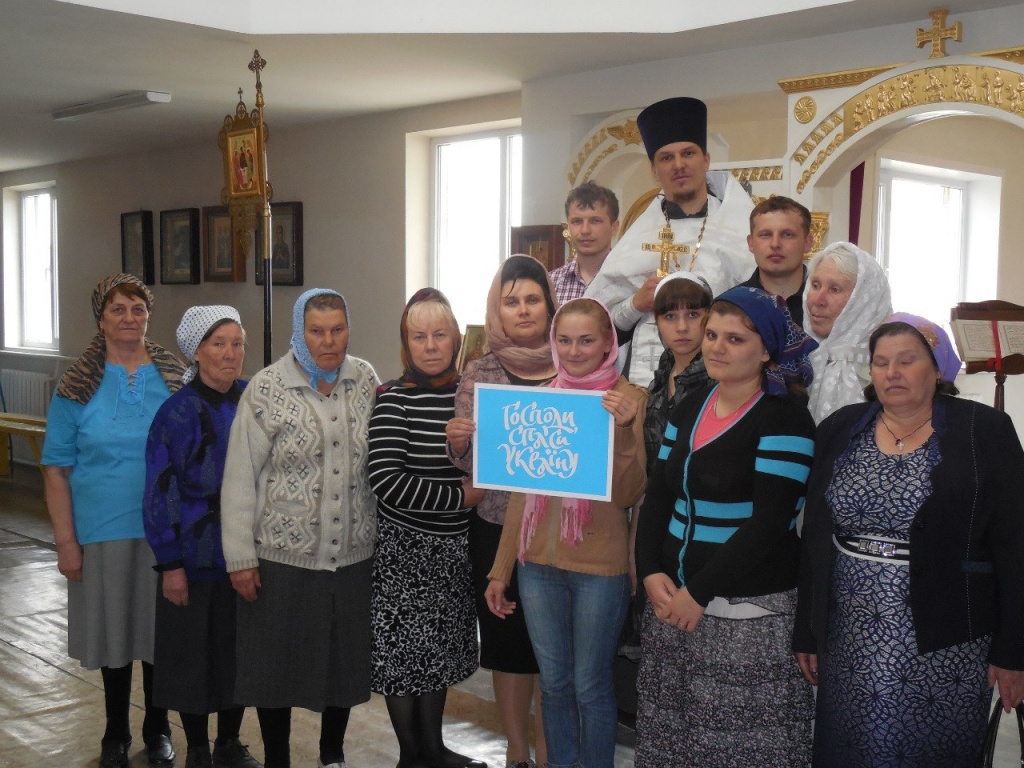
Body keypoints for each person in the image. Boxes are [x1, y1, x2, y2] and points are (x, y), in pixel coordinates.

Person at [794, 318, 1024, 766]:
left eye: (906, 361)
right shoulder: (840, 428)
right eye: (880, 363)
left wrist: (1013, 650)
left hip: (948, 639)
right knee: (851, 748)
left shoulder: (984, 429)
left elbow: (1015, 544)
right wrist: (808, 627)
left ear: (936, 369)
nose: (892, 373)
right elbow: (815, 539)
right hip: (849, 637)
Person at [634, 285, 818, 767]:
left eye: (735, 339)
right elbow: (659, 493)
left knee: (737, 744)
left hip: (746, 611)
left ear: (766, 351)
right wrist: (650, 570)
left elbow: (769, 525)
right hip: (672, 602)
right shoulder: (691, 404)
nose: (716, 347)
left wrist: (698, 592)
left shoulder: (786, 418)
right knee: (674, 735)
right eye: (712, 334)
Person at [485, 297, 648, 768]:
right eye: (565, 340)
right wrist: (501, 570)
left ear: (608, 343)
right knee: (554, 684)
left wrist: (623, 431)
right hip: (537, 566)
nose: (574, 351)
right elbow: (522, 492)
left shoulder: (630, 399)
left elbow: (630, 493)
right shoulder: (543, 397)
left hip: (600, 569)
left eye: (586, 340)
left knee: (591, 685)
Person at [221, 289, 379, 768]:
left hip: (351, 558)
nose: (328, 341)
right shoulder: (267, 389)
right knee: (275, 669)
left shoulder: (365, 380)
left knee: (341, 665)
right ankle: (278, 759)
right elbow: (239, 477)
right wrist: (240, 559)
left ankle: (332, 755)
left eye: (337, 330)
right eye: (316, 331)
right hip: (281, 561)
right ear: (299, 331)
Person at [41, 273, 185, 768]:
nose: (129, 318)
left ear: (149, 316)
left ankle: (158, 727)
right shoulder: (76, 385)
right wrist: (66, 542)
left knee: (161, 635)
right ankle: (115, 731)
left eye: (138, 309)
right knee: (114, 635)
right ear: (100, 319)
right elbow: (56, 469)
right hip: (101, 529)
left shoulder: (174, 376)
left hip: (165, 531)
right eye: (118, 309)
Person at [368, 288, 487, 768]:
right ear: (406, 344)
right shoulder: (393, 399)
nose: (431, 345)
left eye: (440, 335)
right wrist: (458, 498)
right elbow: (386, 481)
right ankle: (411, 755)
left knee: (437, 654)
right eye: (419, 337)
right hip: (404, 552)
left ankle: (434, 749)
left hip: (454, 549)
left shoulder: (471, 397)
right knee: (403, 659)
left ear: (456, 339)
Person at [445, 254, 555, 768]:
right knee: (509, 648)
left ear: (550, 306)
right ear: (497, 310)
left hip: (557, 531)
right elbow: (465, 459)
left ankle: (551, 749)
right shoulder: (480, 369)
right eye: (511, 301)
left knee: (552, 650)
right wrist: (457, 442)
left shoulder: (573, 361)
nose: (523, 309)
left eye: (533, 299)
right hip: (495, 527)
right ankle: (515, 748)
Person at [143, 306, 263, 768]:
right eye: (219, 344)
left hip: (245, 555)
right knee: (191, 657)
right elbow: (160, 491)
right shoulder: (176, 413)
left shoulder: (253, 399)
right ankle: (196, 748)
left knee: (238, 653)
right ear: (196, 351)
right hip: (194, 558)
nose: (230, 354)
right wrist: (171, 564)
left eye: (237, 344)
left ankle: (228, 741)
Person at [586, 96, 754, 387]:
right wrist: (635, 305)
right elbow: (596, 327)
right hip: (642, 384)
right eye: (666, 158)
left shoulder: (738, 230)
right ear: (654, 170)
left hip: (719, 381)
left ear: (706, 160)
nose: (678, 165)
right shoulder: (638, 238)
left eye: (688, 153)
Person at [802, 241, 892, 424]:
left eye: (835, 289)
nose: (818, 300)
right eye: (815, 285)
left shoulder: (890, 372)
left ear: (863, 302)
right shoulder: (794, 360)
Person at [741, 196, 814, 325]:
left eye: (787, 234)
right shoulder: (732, 305)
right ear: (751, 243)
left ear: (807, 243)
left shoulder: (827, 304)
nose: (775, 244)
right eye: (766, 235)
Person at [550, 181, 620, 304]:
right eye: (577, 221)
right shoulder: (550, 284)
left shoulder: (628, 281)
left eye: (595, 221)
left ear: (614, 227)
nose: (585, 230)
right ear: (568, 227)